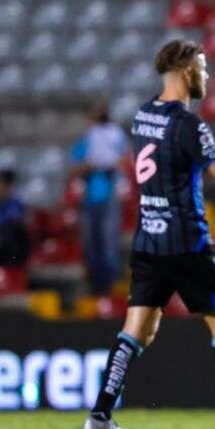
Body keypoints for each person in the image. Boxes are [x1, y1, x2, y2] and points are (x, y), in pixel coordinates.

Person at [84, 40, 215, 429]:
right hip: (188, 242)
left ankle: (100, 413)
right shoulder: (189, 124)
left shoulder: (143, 116)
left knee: (138, 329)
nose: (204, 75)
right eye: (200, 67)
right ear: (183, 71)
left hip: (149, 239)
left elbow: (175, 163)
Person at [71, 103, 129, 295]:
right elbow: (74, 167)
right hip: (90, 198)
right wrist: (89, 166)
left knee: (109, 243)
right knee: (91, 244)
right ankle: (95, 287)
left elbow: (125, 159)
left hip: (110, 196)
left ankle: (110, 287)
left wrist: (112, 163)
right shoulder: (87, 140)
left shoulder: (115, 136)